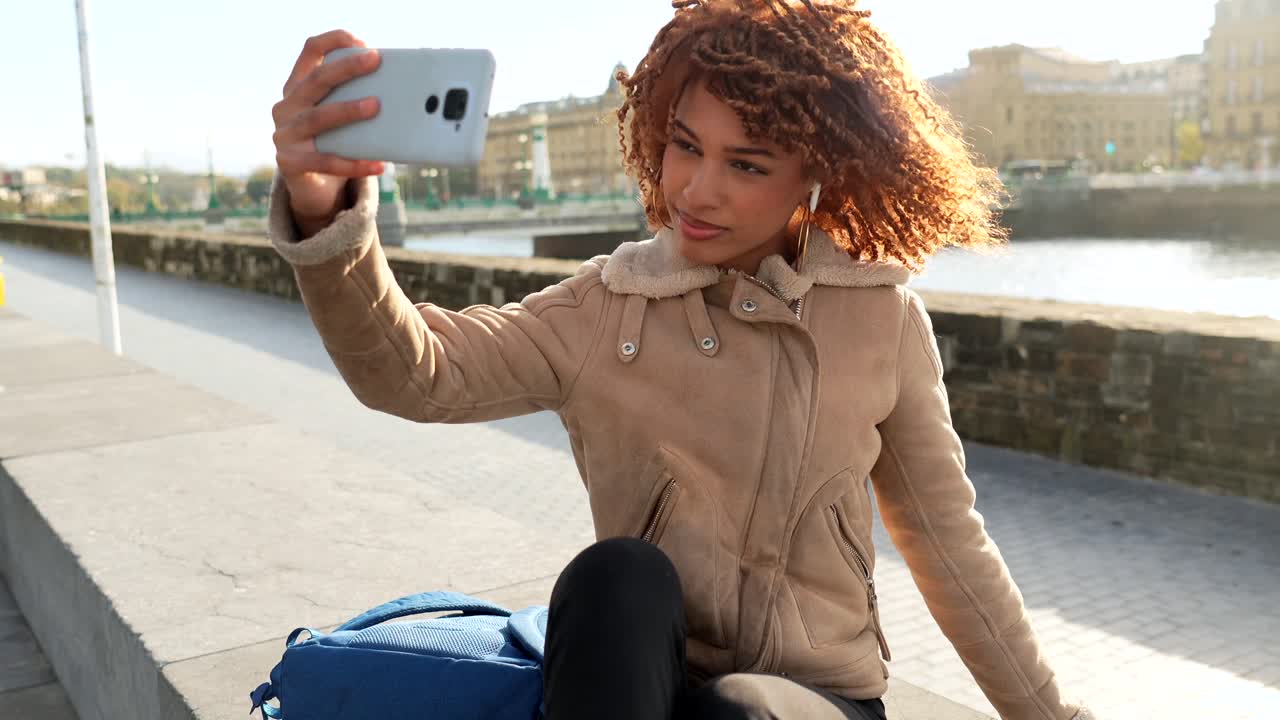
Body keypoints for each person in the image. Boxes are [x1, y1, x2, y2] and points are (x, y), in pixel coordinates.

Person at [267, 2, 1094, 718]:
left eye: (746, 164)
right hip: (639, 695)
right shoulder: (608, 306)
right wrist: (323, 208)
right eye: (685, 145)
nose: (697, 190)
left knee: (742, 709)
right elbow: (415, 372)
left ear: (818, 173)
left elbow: (952, 550)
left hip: (814, 703)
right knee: (616, 576)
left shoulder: (881, 320)